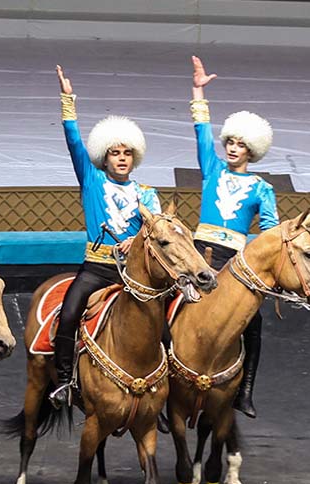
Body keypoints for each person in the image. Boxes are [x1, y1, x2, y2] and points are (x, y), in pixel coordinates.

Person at [49, 65, 161, 408]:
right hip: (96, 269)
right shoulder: (92, 180)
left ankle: (160, 385)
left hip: (133, 274)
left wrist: (138, 238)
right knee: (68, 313)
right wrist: (68, 102)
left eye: (127, 154)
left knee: (166, 324)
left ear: (135, 157)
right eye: (115, 153)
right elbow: (72, 143)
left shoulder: (148, 193)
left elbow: (157, 227)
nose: (122, 159)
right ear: (105, 157)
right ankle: (66, 381)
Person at [188, 55, 279, 417]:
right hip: (198, 253)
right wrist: (198, 91)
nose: (232, 148)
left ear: (251, 151)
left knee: (252, 322)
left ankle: (245, 390)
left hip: (234, 260)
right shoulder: (211, 169)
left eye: (240, 145)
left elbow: (271, 233)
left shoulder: (262, 188)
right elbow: (200, 130)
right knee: (165, 306)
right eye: (230, 142)